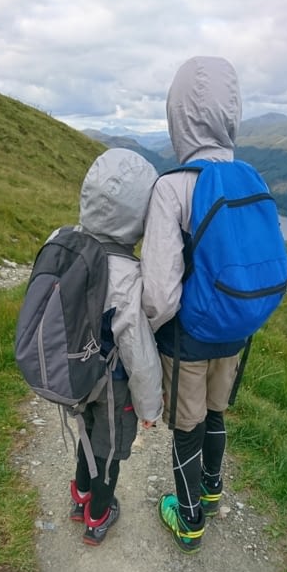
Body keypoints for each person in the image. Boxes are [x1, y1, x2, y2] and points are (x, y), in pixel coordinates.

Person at [141, 56, 245, 554]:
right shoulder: (251, 178)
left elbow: (160, 293)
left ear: (177, 112)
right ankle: (213, 488)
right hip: (238, 328)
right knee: (217, 409)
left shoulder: (173, 186)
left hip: (189, 338)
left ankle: (189, 521)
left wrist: (147, 333)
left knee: (187, 422)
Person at [69, 148, 163, 546]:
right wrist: (149, 407)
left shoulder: (67, 244)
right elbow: (137, 351)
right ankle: (98, 516)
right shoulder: (128, 275)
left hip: (74, 371)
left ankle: (79, 497)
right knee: (109, 449)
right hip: (113, 383)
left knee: (86, 434)